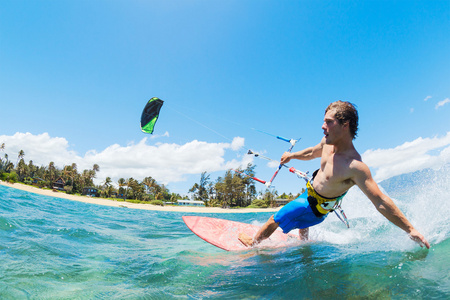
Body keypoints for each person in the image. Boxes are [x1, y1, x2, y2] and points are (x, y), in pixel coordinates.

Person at [239, 101, 430, 249]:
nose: (323, 126)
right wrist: (291, 156)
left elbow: (380, 201)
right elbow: (311, 152)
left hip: (316, 208)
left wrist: (410, 229)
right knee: (300, 219)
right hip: (308, 195)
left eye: (328, 122)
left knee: (276, 218)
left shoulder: (354, 166)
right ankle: (304, 246)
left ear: (345, 124)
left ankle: (253, 244)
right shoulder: (327, 142)